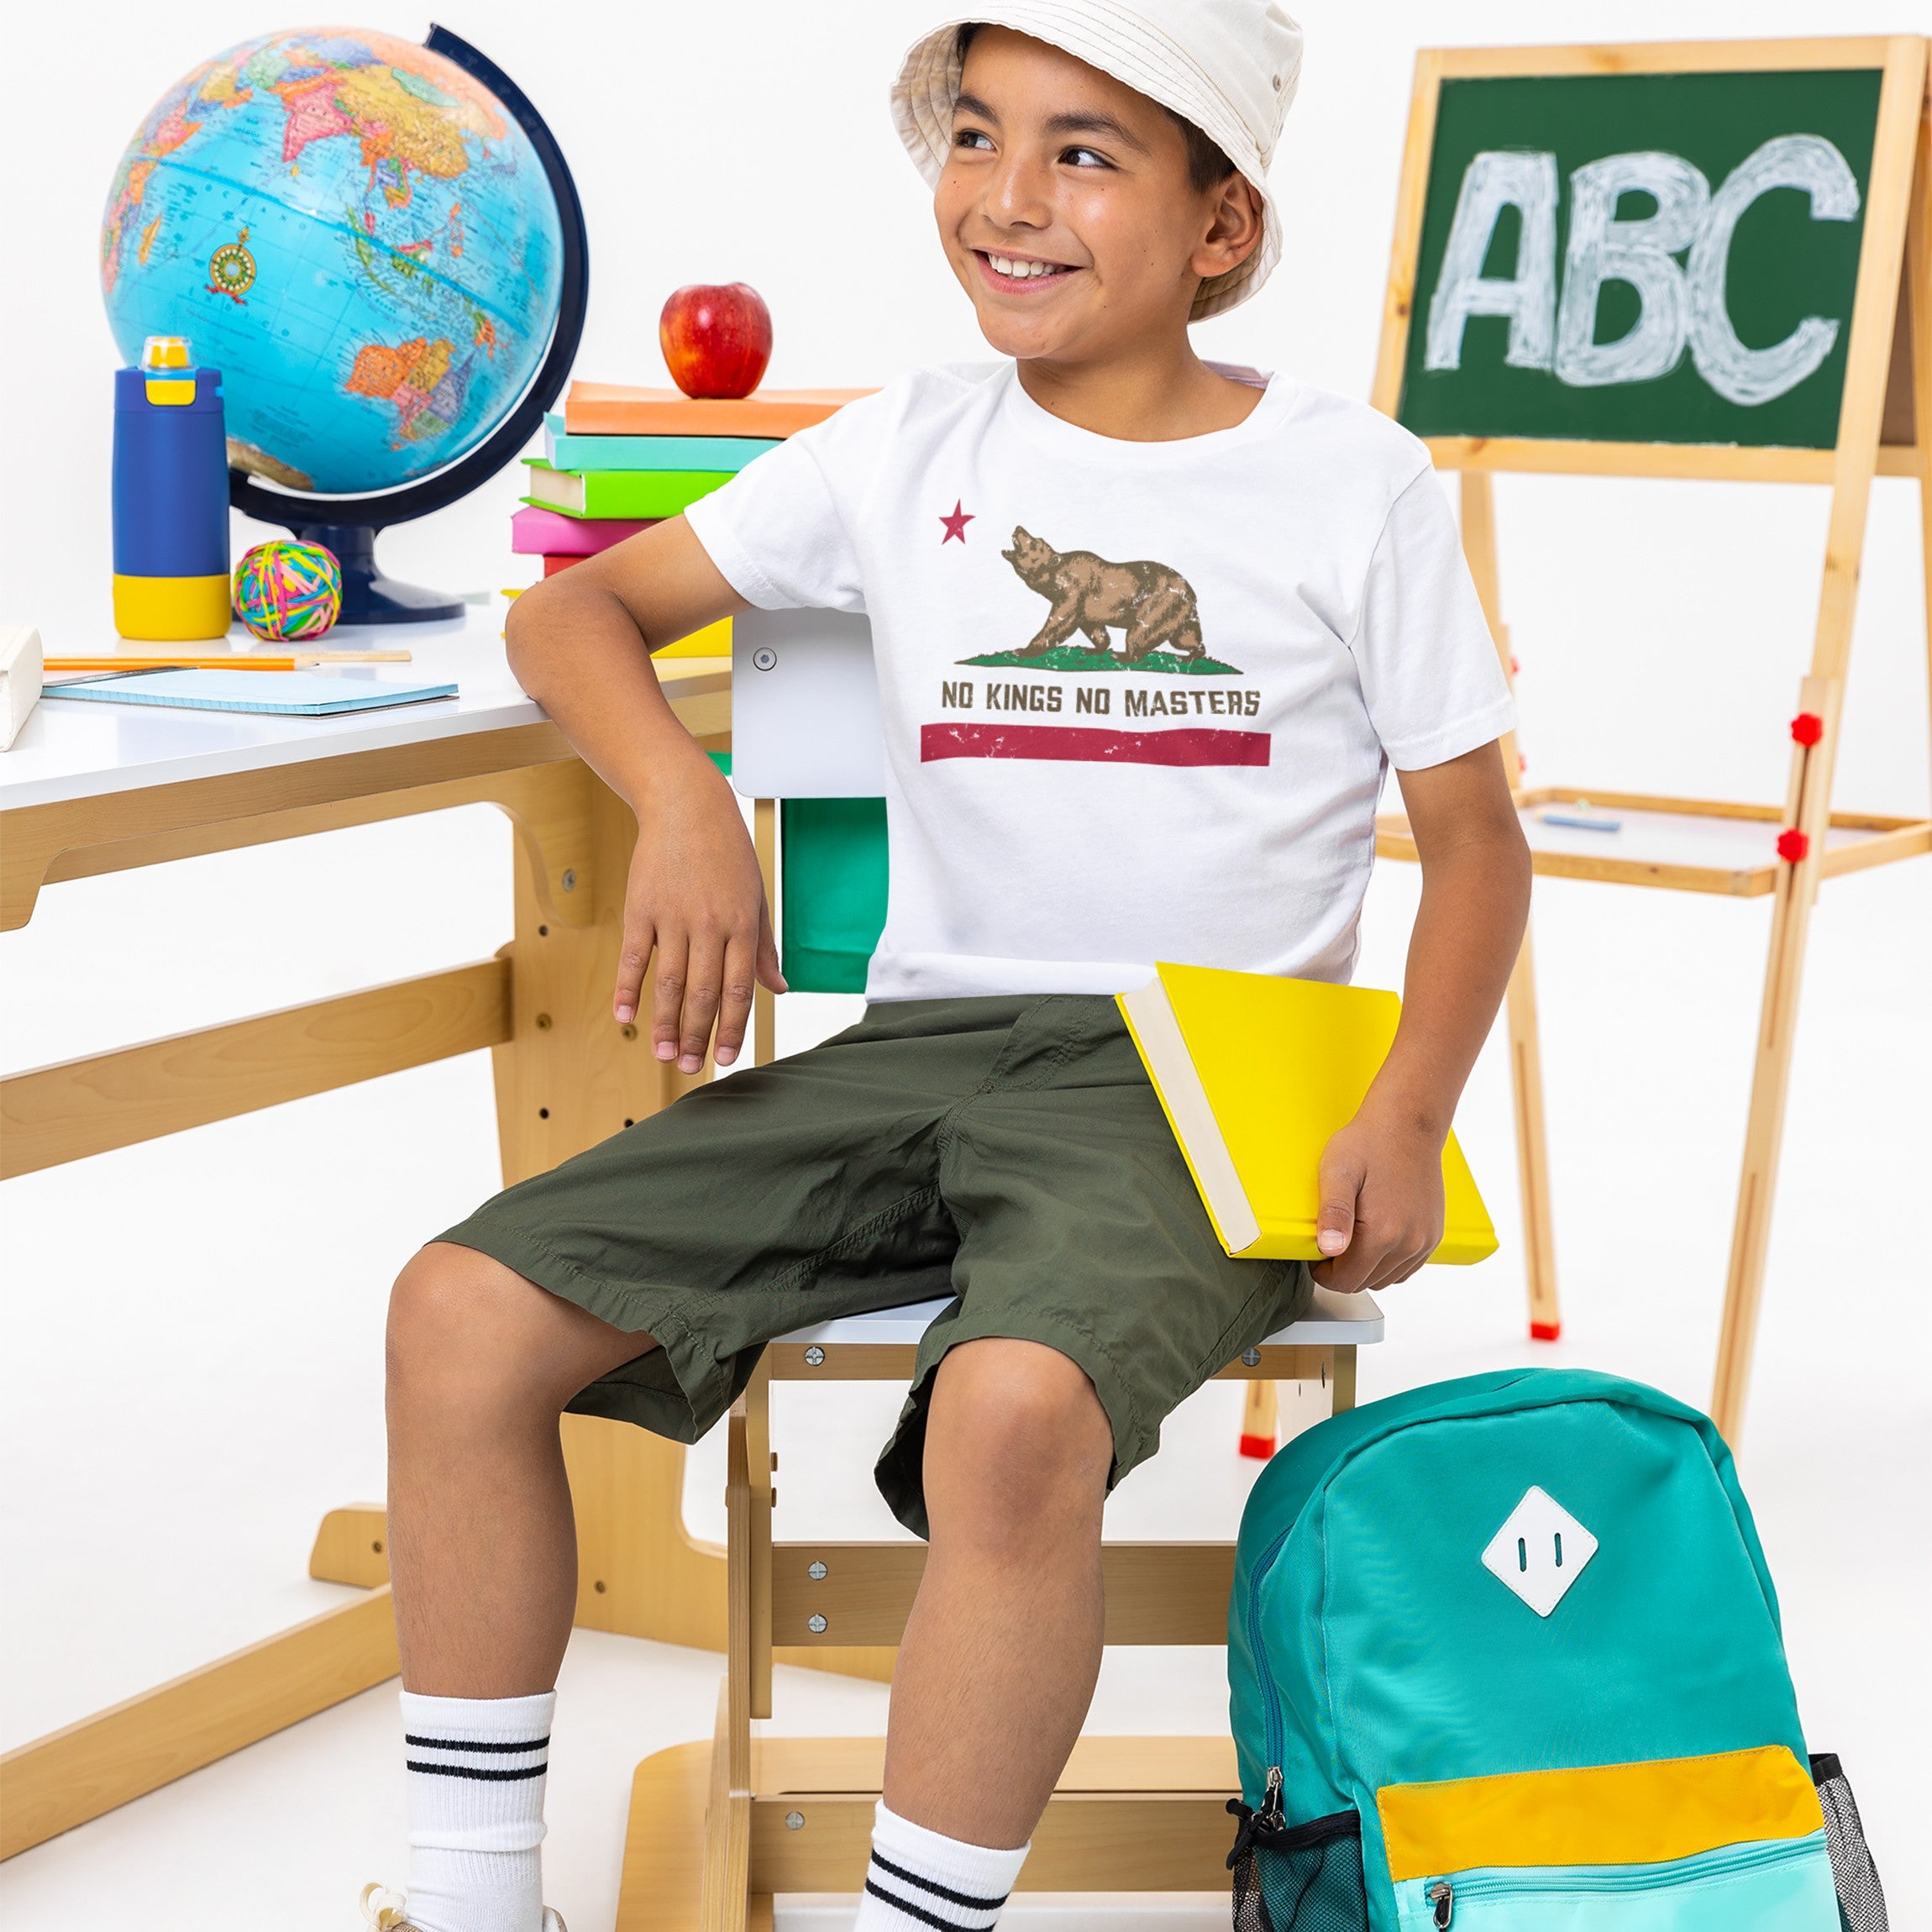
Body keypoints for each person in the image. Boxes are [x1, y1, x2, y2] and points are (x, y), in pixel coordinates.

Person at [369, 3, 1531, 1928]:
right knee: (454, 1316)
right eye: (976, 138)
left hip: (1195, 1071)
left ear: (1220, 222)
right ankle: (477, 1897)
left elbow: (1480, 845)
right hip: (920, 1053)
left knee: (1007, 1407)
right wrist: (681, 799)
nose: (1005, 198)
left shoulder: (1352, 483)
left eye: (1084, 153)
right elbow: (578, 612)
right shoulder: (906, 445)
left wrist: (1408, 1108)